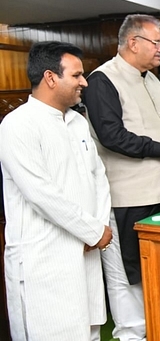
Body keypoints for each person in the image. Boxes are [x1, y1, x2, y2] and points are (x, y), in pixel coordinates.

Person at [83, 14, 160, 341]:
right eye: (157, 42)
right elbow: (112, 135)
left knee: (159, 274)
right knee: (129, 279)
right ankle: (132, 336)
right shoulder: (103, 79)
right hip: (130, 198)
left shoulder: (149, 78)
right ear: (133, 43)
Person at [0, 41, 112, 341]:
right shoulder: (18, 125)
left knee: (87, 332)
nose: (84, 82)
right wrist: (91, 230)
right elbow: (40, 193)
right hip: (44, 258)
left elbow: (98, 177)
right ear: (51, 78)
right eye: (76, 75)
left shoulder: (77, 121)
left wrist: (97, 228)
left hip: (85, 251)